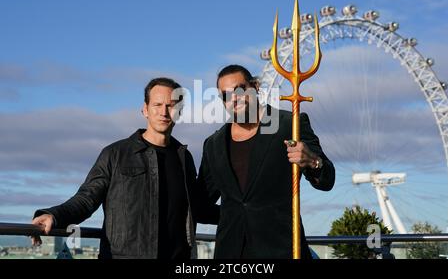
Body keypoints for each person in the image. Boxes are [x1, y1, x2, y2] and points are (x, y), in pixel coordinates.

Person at [31, 77, 218, 259]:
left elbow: (198, 208)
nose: (164, 112)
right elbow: (86, 199)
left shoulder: (184, 157)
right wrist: (53, 215)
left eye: (171, 106)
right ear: (145, 110)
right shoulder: (115, 154)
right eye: (157, 105)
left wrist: (242, 213)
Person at [196, 65, 335, 259]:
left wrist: (313, 162)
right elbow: (200, 206)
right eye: (226, 96)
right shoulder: (213, 144)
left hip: (282, 250)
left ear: (256, 87)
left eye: (240, 89)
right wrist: (238, 215)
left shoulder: (290, 124)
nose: (234, 99)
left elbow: (328, 180)